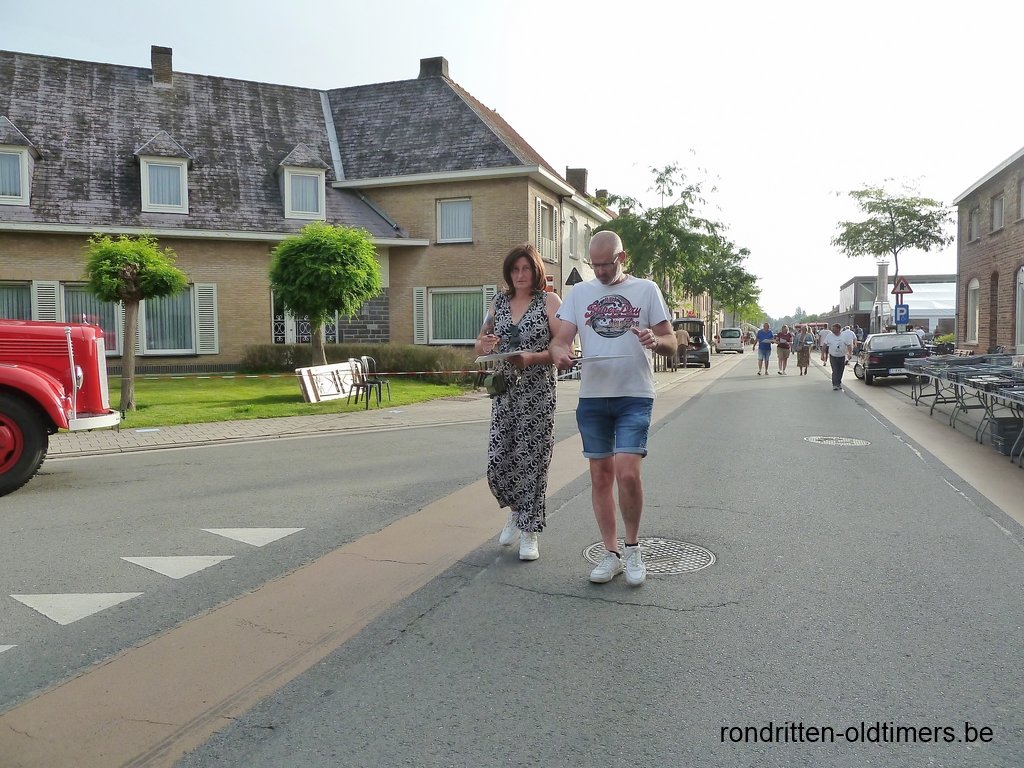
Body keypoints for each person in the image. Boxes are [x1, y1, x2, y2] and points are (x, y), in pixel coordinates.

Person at [549, 230, 674, 586]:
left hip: (635, 393)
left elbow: (671, 341)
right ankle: (611, 553)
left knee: (627, 473)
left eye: (607, 264)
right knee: (600, 476)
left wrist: (656, 340)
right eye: (595, 265)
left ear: (622, 257)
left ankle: (633, 548)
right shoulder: (580, 293)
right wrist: (560, 354)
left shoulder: (646, 289)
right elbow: (560, 341)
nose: (601, 271)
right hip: (593, 397)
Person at [475, 243, 560, 562]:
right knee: (499, 462)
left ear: (535, 271)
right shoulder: (498, 302)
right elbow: (479, 343)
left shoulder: (549, 302)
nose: (520, 274)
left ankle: (529, 530)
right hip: (505, 393)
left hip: (537, 393)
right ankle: (515, 511)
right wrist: (485, 344)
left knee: (532, 461)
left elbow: (562, 347)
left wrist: (532, 358)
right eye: (515, 269)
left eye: (525, 269)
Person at [822, 322, 857, 390]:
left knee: (841, 370)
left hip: (842, 356)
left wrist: (850, 353)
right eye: (832, 329)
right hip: (833, 356)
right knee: (835, 370)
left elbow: (849, 345)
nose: (832, 330)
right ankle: (835, 384)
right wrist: (822, 354)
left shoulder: (844, 336)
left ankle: (838, 383)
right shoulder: (829, 336)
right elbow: (824, 345)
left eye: (834, 329)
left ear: (838, 329)